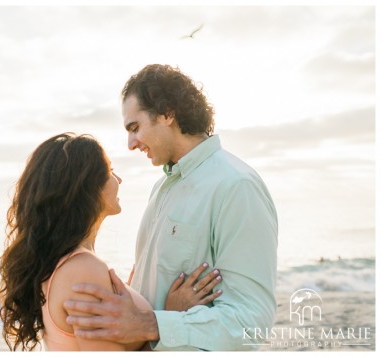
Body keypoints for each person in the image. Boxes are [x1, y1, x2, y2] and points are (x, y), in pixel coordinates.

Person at [64, 65, 279, 351]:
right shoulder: (162, 189)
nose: (130, 144)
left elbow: (251, 322)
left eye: (135, 127)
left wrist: (152, 324)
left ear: (166, 113)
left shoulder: (236, 186)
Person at [0, 132, 223, 351]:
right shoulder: (82, 269)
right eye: (110, 171)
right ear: (87, 187)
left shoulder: (69, 264)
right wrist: (171, 316)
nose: (119, 179)